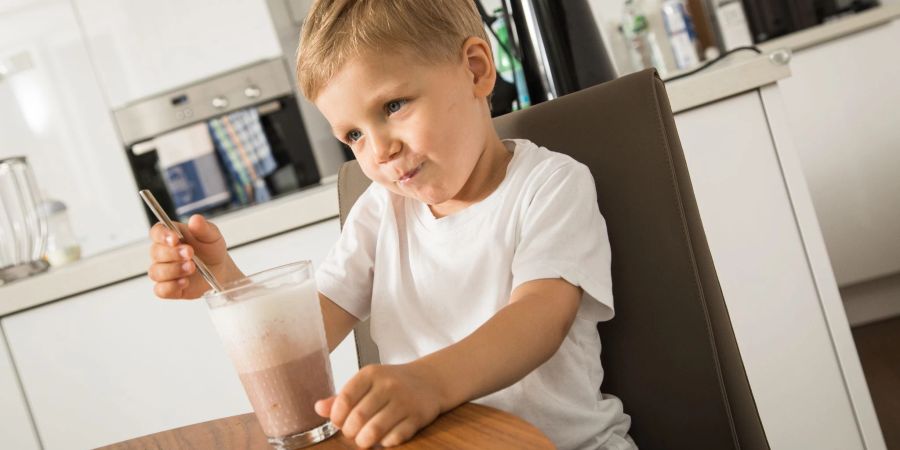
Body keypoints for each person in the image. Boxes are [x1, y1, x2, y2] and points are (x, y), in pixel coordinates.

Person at [146, 0, 635, 448]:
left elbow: (538, 320)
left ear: (476, 70)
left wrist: (429, 383)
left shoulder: (549, 185)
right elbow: (306, 335)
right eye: (354, 135)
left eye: (393, 107)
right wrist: (224, 281)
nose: (379, 151)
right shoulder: (382, 211)